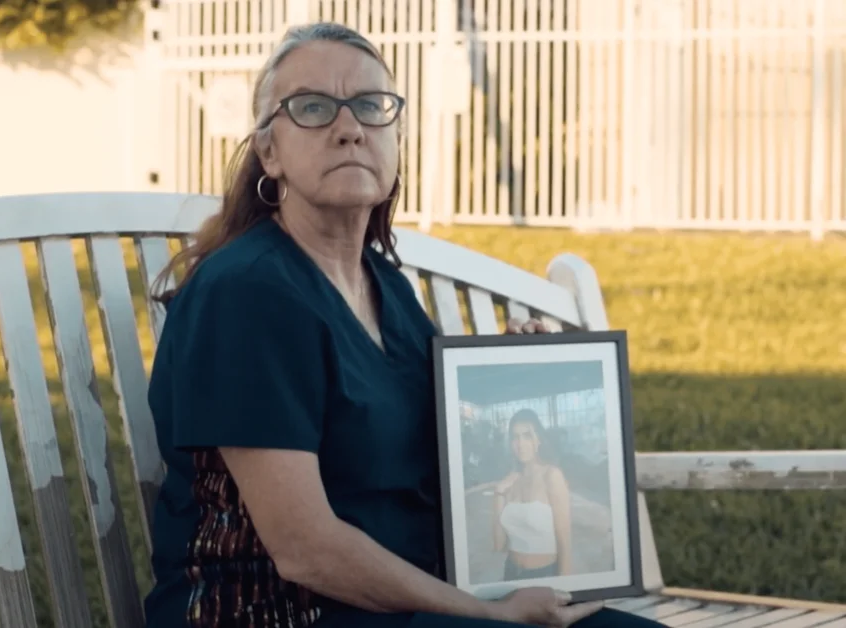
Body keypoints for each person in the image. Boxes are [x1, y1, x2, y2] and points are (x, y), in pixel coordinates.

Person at [142, 21, 666, 628]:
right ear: (269, 152)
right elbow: (305, 549)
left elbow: (431, 452)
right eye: (312, 108)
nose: (349, 128)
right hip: (280, 613)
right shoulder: (246, 292)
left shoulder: (383, 284)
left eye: (370, 106)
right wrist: (488, 613)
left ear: (396, 137)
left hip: (404, 602)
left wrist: (506, 374)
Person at [493, 410, 574, 580]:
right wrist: (499, 493)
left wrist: (565, 584)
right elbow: (499, 545)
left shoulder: (552, 476)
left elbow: (565, 543)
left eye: (527, 436)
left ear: (539, 440)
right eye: (515, 437)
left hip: (544, 574)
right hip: (511, 573)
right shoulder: (510, 481)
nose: (520, 444)